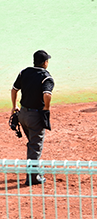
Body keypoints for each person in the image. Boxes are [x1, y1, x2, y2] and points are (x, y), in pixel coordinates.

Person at [11, 50, 55, 185]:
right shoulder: (46, 77)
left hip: (23, 115)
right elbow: (47, 94)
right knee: (35, 146)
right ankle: (32, 177)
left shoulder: (24, 72)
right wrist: (46, 108)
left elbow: (14, 89)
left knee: (32, 143)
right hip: (35, 116)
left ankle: (34, 170)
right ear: (45, 63)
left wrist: (14, 106)